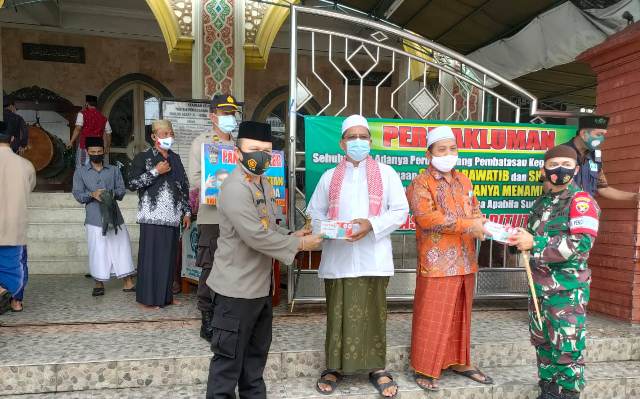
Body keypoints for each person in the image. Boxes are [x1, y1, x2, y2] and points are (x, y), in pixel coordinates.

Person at [205, 121, 323, 399]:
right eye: (254, 150)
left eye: (267, 151)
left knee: (254, 363)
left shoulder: (264, 184)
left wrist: (292, 233)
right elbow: (254, 236)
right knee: (228, 365)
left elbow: (268, 228)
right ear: (238, 153)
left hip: (259, 289)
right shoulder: (235, 188)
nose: (262, 156)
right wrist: (299, 244)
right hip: (234, 292)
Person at [307, 114, 409, 398]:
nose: (358, 142)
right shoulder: (329, 177)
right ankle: (334, 367)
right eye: (352, 137)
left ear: (371, 141)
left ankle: (377, 367)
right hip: (338, 258)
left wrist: (371, 225)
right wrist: (329, 229)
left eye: (363, 136)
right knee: (337, 313)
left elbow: (400, 211)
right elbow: (314, 215)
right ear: (342, 143)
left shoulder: (387, 174)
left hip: (373, 256)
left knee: (374, 313)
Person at [405, 125, 492, 391]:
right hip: (437, 262)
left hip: (466, 259)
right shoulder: (420, 183)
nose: (448, 154)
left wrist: (483, 224)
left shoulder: (464, 180)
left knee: (460, 315)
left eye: (452, 148)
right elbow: (427, 218)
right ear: (428, 153)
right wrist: (469, 225)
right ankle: (425, 367)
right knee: (431, 316)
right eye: (441, 149)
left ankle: (460, 361)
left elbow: (474, 209)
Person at [509, 144, 599, 399]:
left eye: (567, 165)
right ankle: (548, 390)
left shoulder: (581, 202)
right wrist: (517, 241)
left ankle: (568, 393)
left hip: (566, 292)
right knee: (544, 344)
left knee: (567, 348)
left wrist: (534, 243)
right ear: (544, 170)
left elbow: (581, 244)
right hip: (539, 290)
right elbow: (531, 240)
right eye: (554, 165)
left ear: (576, 170)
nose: (560, 170)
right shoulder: (542, 203)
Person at [188, 94, 241, 342]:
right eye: (224, 113)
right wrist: (226, 184)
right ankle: (207, 317)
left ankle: (229, 315)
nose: (229, 118)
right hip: (212, 216)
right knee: (210, 267)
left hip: (239, 217)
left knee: (236, 265)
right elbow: (196, 179)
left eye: (232, 113)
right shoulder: (201, 143)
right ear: (213, 116)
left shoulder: (241, 146)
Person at [128, 120, 191, 309]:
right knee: (151, 259)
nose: (168, 137)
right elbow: (132, 183)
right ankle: (147, 300)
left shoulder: (176, 159)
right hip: (152, 215)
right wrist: (156, 171)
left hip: (172, 217)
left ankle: (166, 298)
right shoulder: (143, 157)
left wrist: (186, 212)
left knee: (168, 259)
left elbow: (184, 187)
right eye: (164, 134)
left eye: (170, 133)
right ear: (154, 137)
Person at [72, 136, 135, 296]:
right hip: (94, 218)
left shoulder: (114, 170)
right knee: (97, 250)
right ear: (87, 152)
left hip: (114, 216)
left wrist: (111, 193)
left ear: (104, 152)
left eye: (99, 151)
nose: (96, 154)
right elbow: (78, 195)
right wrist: (92, 194)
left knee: (122, 247)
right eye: (93, 152)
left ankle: (128, 282)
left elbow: (121, 190)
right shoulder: (80, 172)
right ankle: (98, 283)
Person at [0, 121, 35, 313]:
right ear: (13, 139)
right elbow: (29, 188)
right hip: (14, 228)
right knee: (17, 265)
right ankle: (16, 301)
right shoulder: (26, 165)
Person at [565, 114, 640, 201]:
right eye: (599, 134)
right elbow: (548, 185)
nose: (602, 139)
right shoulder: (560, 153)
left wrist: (635, 197)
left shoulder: (595, 157)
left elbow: (603, 188)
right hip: (564, 212)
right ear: (583, 134)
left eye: (603, 135)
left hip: (587, 211)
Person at [68, 95, 112, 168]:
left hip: (85, 144)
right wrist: (107, 147)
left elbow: (78, 128)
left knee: (82, 167)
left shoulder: (82, 114)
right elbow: (109, 134)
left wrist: (71, 141)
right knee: (97, 167)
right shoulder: (103, 118)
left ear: (87, 104)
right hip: (98, 146)